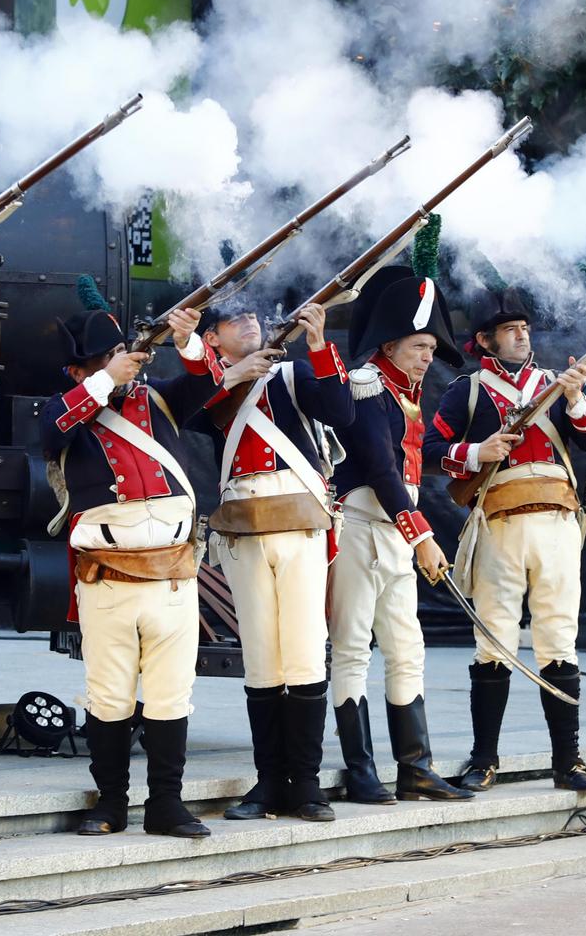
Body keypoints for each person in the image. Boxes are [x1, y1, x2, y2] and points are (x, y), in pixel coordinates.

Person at [41, 284, 220, 840]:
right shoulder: (71, 405)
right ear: (82, 371)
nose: (126, 369)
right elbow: (49, 432)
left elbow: (207, 385)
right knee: (109, 694)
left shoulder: (160, 398)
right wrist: (104, 381)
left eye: (126, 357)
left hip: (171, 573)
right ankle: (111, 804)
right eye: (105, 360)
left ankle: (167, 802)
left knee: (170, 694)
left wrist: (189, 339)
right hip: (107, 576)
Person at [425, 288, 586, 794]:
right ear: (485, 341)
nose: (521, 333)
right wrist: (477, 450)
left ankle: (567, 761)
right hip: (499, 523)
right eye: (508, 328)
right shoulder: (467, 389)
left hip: (556, 522)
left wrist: (574, 399)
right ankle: (484, 760)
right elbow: (434, 449)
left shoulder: (555, 384)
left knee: (559, 639)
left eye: (523, 326)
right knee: (494, 642)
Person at [192, 297, 354, 824]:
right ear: (212, 337)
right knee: (262, 658)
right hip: (243, 526)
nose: (250, 324)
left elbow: (342, 412)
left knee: (305, 654)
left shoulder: (289, 375)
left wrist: (317, 344)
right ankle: (269, 781)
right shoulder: (211, 382)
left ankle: (304, 784)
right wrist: (225, 368)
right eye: (235, 320)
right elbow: (196, 407)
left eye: (253, 318)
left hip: (300, 521)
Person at [328, 261, 474, 806]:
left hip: (395, 533)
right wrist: (423, 537)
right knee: (351, 650)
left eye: (432, 348)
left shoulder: (408, 392)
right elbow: (380, 470)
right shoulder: (367, 385)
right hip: (363, 526)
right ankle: (361, 769)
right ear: (389, 345)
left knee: (407, 649)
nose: (428, 355)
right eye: (419, 346)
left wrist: (412, 535)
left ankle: (415, 767)